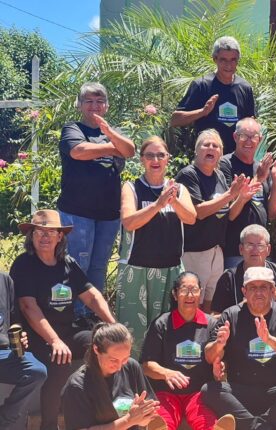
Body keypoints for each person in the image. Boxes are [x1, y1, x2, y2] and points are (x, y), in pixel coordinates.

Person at [12, 209, 116, 430]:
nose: (45, 236)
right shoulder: (24, 265)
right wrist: (55, 341)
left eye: (51, 232)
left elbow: (92, 297)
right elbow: (28, 308)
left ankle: (103, 412)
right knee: (60, 361)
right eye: (39, 232)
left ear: (60, 236)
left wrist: (113, 325)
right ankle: (49, 426)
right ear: (31, 236)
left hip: (66, 332)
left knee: (102, 345)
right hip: (36, 337)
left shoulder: (67, 263)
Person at [58, 82, 135, 321]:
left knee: (98, 266)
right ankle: (75, 316)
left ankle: (94, 316)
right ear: (80, 105)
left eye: (100, 101)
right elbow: (78, 151)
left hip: (108, 214)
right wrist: (112, 148)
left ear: (107, 106)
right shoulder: (72, 128)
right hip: (77, 212)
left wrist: (110, 135)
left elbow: (130, 150)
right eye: (89, 101)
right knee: (78, 264)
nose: (95, 106)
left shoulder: (113, 131)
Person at [117, 136, 197, 356]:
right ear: (142, 159)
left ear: (168, 158)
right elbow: (129, 222)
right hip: (137, 271)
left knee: (168, 331)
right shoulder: (131, 188)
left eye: (161, 155)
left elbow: (191, 218)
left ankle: (163, 373)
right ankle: (132, 373)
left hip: (171, 271)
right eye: (150, 155)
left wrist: (173, 200)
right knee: (134, 337)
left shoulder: (179, 189)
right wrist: (158, 204)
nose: (155, 160)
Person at [202, 267, 276, 429]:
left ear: (272, 290)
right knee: (209, 390)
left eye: (263, 287)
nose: (258, 293)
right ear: (244, 291)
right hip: (241, 391)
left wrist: (269, 339)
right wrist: (219, 344)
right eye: (252, 287)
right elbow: (209, 357)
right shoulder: (230, 315)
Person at [176, 129, 259, 312]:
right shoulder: (189, 175)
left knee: (210, 304)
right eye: (206, 145)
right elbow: (198, 212)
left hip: (216, 250)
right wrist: (230, 194)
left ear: (220, 153)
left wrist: (241, 198)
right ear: (197, 150)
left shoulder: (219, 176)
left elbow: (228, 214)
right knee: (192, 304)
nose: (211, 148)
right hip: (194, 251)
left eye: (216, 146)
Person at [140, 272, 235, 430]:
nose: (190, 295)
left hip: (199, 393)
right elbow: (147, 365)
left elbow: (218, 359)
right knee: (162, 420)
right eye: (184, 289)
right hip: (167, 393)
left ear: (200, 293)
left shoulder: (212, 324)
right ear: (175, 294)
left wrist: (219, 366)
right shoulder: (161, 323)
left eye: (194, 290)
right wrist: (166, 373)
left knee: (205, 420)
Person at [219, 117, 276, 268]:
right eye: (244, 136)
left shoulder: (261, 167)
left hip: (261, 250)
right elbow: (229, 212)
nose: (249, 141)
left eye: (254, 137)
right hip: (236, 249)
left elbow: (272, 213)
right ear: (235, 137)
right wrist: (258, 178)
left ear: (260, 140)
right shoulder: (225, 164)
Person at [61, 323, 163, 430]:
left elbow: (151, 416)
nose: (119, 367)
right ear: (96, 349)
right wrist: (128, 420)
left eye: (125, 358)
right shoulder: (77, 385)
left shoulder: (131, 366)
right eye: (113, 360)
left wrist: (143, 417)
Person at [170, 36, 255, 155]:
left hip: (236, 158)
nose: (228, 65)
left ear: (238, 61)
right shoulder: (201, 85)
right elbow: (175, 120)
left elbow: (251, 122)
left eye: (233, 60)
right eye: (223, 60)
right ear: (215, 59)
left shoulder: (245, 87)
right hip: (208, 157)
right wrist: (202, 112)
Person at [211, 224, 276, 320]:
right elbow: (215, 319)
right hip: (241, 329)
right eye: (250, 245)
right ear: (241, 249)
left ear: (268, 249)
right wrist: (241, 309)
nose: (255, 251)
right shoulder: (229, 278)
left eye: (260, 246)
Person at [0, 272, 47, 430]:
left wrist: (20, 337)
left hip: (5, 353)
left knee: (37, 371)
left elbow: (15, 322)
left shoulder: (5, 280)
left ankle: (4, 421)